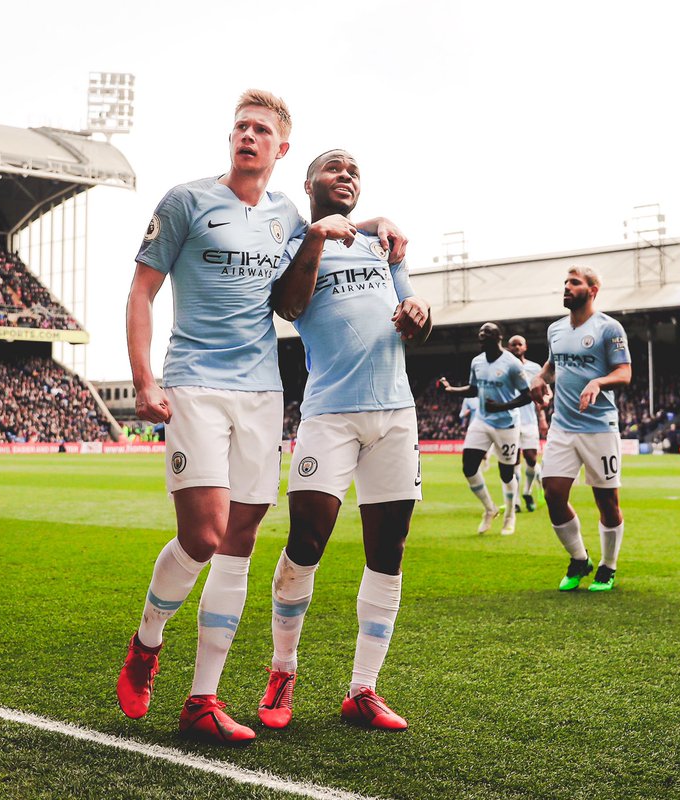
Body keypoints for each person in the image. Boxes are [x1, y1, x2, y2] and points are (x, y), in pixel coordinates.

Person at [117, 90, 405, 745]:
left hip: (262, 392)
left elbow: (311, 266)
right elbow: (141, 290)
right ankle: (147, 641)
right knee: (204, 534)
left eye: (262, 130)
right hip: (195, 382)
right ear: (232, 138)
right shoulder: (186, 201)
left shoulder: (284, 215)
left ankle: (202, 700)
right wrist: (142, 378)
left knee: (240, 542)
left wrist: (378, 223)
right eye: (241, 127)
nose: (248, 136)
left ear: (281, 149)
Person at [257, 148, 429, 733]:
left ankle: (364, 689)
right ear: (310, 183)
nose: (347, 175)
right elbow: (290, 306)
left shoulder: (382, 245)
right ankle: (283, 669)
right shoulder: (294, 244)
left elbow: (412, 316)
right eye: (335, 168)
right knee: (307, 539)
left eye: (355, 169)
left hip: (396, 415)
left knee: (389, 549)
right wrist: (315, 238)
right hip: (329, 414)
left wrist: (416, 311)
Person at [529, 267, 632, 592]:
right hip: (562, 426)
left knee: (607, 502)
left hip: (599, 428)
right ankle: (579, 558)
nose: (567, 287)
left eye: (574, 283)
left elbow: (624, 372)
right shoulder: (556, 329)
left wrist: (598, 382)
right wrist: (539, 379)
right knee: (553, 494)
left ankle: (608, 566)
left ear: (593, 289)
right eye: (565, 282)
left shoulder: (608, 328)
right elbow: (552, 365)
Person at [440, 323, 532, 535]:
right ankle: (490, 509)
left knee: (507, 474)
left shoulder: (512, 364)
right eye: (480, 335)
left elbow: (526, 395)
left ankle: (510, 516)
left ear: (499, 337)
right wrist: (451, 389)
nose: (482, 338)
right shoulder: (477, 362)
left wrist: (501, 407)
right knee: (469, 467)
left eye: (487, 334)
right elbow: (474, 389)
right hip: (482, 421)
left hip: (507, 424)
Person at [506, 334, 548, 511]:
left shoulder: (535, 368)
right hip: (510, 421)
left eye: (519, 344)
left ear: (525, 347)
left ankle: (527, 491)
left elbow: (542, 394)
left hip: (530, 420)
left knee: (531, 459)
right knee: (513, 462)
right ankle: (514, 501)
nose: (516, 347)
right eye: (513, 345)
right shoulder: (504, 367)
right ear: (508, 348)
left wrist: (543, 418)